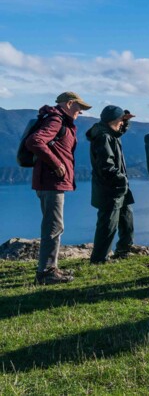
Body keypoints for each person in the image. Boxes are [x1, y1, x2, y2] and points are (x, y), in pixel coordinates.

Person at [25, 92, 91, 285]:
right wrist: (56, 164)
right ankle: (46, 272)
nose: (81, 112)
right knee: (53, 227)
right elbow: (34, 141)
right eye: (79, 108)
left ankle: (50, 268)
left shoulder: (58, 120)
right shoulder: (56, 120)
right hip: (51, 182)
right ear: (69, 103)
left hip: (49, 181)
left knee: (52, 225)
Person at [88, 105, 136, 264]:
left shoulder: (109, 132)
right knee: (108, 224)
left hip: (117, 186)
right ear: (115, 120)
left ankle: (124, 249)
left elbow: (119, 131)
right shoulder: (104, 137)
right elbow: (106, 166)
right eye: (121, 120)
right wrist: (121, 178)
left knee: (126, 218)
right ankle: (99, 259)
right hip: (111, 188)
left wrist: (126, 120)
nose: (123, 123)